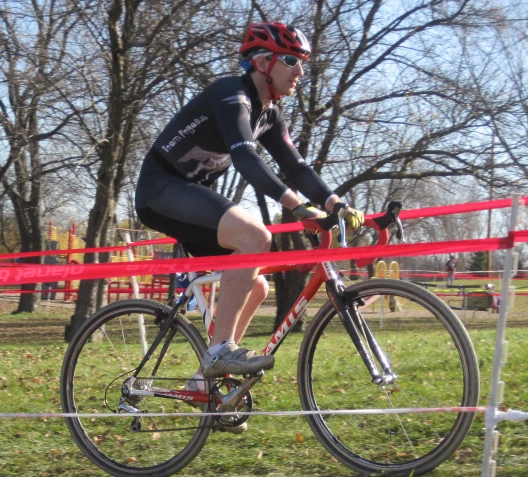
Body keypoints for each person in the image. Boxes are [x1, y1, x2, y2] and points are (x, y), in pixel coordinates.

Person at [135, 22, 364, 430]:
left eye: (303, 64)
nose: (300, 72)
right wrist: (296, 207)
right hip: (162, 189)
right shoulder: (232, 95)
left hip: (189, 194)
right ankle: (219, 351)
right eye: (292, 61)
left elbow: (295, 165)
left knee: (256, 284)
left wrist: (335, 202)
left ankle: (206, 383)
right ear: (263, 62)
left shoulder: (271, 114)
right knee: (255, 236)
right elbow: (247, 159)